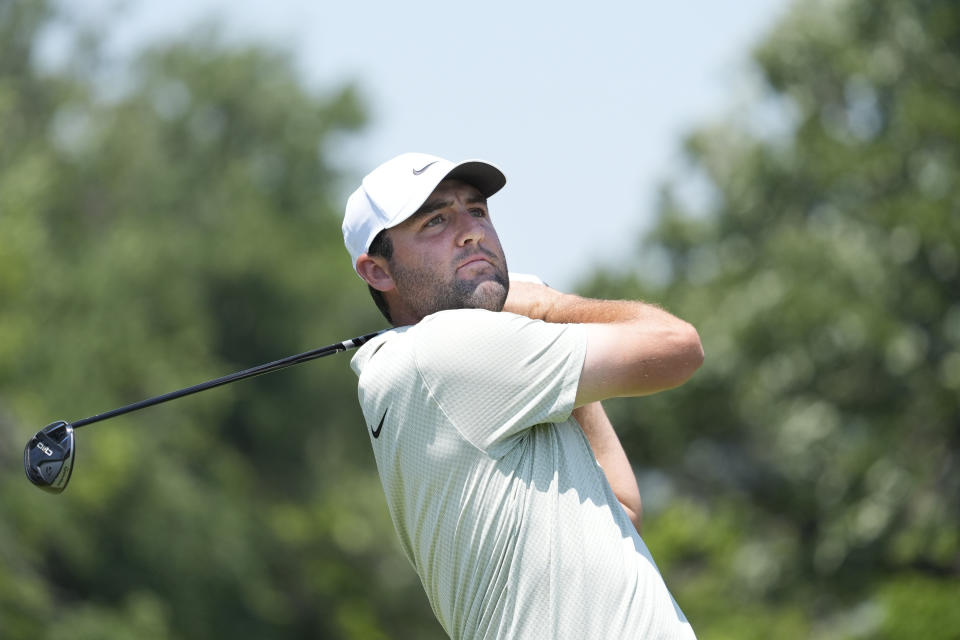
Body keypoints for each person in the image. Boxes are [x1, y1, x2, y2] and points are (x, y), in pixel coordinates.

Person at [341, 152, 704, 639]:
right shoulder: (447, 349)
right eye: (435, 220)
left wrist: (551, 356)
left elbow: (623, 510)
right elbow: (678, 346)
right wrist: (551, 307)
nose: (471, 231)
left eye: (477, 210)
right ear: (378, 272)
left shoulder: (439, 369)